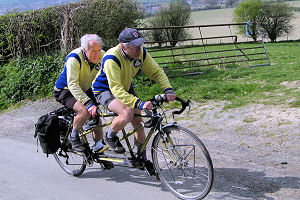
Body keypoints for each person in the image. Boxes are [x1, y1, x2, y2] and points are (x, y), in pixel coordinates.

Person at [92, 28, 176, 161]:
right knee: (127, 113)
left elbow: (156, 72)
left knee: (138, 120)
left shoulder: (140, 53)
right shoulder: (111, 58)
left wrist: (168, 89)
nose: (139, 49)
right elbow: (116, 89)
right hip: (104, 89)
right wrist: (140, 103)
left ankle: (140, 156)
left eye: (140, 45)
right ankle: (110, 136)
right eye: (135, 46)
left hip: (124, 87)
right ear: (124, 47)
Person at [53, 34, 105, 153]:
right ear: (84, 50)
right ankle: (73, 136)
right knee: (85, 111)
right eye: (93, 51)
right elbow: (72, 85)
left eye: (99, 50)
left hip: (84, 88)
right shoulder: (74, 58)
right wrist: (89, 104)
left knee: (96, 115)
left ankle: (98, 148)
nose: (97, 54)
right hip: (65, 89)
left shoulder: (102, 55)